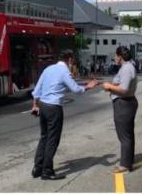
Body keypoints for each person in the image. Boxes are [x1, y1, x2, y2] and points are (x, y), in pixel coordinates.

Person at [31, 50, 98, 180]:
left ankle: (37, 168)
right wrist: (89, 86)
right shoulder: (64, 71)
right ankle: (47, 171)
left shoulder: (48, 69)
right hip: (54, 107)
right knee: (52, 139)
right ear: (70, 60)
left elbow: (37, 89)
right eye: (72, 62)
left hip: (43, 106)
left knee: (44, 137)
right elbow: (76, 89)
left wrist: (35, 105)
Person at [101, 46, 138, 174]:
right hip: (125, 103)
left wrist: (109, 86)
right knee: (127, 134)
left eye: (115, 56)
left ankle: (125, 165)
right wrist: (110, 85)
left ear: (119, 56)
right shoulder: (126, 67)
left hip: (124, 103)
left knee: (124, 136)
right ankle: (128, 160)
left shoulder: (127, 68)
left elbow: (124, 89)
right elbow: (121, 85)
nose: (115, 59)